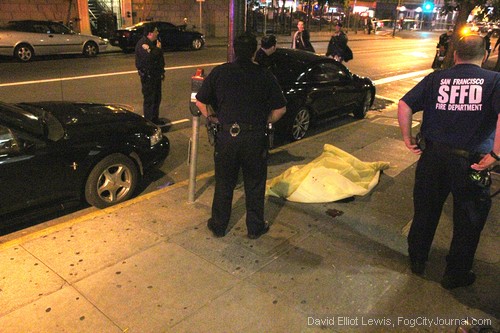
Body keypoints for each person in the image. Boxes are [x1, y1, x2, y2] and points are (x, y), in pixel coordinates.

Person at [398, 35, 500, 290]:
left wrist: (407, 137)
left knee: (425, 211)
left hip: (433, 157)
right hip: (471, 162)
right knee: (468, 219)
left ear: (455, 55)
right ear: (484, 55)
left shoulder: (437, 78)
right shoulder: (494, 81)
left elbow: (404, 104)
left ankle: (417, 260)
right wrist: (496, 154)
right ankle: (455, 274)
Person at [195, 33, 287, 239]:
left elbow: (200, 101)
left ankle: (218, 225)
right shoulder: (265, 75)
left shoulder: (220, 72)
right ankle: (255, 227)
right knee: (254, 184)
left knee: (224, 182)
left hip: (227, 137)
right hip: (254, 138)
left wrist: (213, 117)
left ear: (234, 50)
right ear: (254, 50)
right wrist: (266, 121)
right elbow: (280, 109)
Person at [135, 24, 165, 125]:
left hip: (156, 76)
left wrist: (162, 72)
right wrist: (157, 49)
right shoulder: (143, 44)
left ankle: (155, 118)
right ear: (150, 33)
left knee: (157, 98)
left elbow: (160, 60)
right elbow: (149, 58)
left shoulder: (154, 43)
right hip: (148, 77)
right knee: (149, 100)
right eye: (156, 31)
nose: (157, 33)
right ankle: (149, 122)